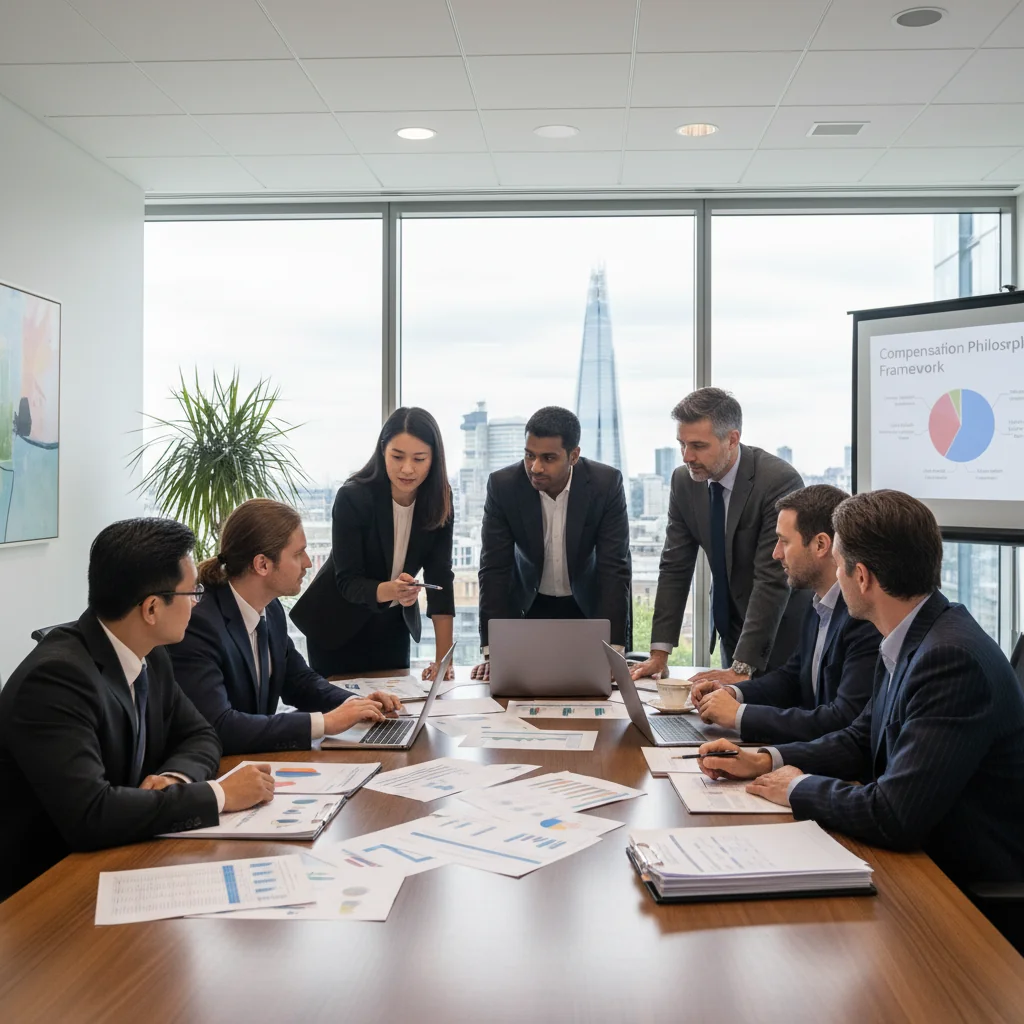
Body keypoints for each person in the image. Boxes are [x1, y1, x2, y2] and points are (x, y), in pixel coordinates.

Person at [698, 489, 1024, 894]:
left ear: (863, 577)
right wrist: (764, 760)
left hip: (961, 890)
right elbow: (859, 739)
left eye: (839, 567)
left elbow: (894, 814)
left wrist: (797, 787)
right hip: (921, 862)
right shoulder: (914, 635)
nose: (835, 577)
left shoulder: (949, 660)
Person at [0, 518, 275, 901]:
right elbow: (90, 814)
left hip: (122, 858)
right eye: (191, 592)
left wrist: (177, 778)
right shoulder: (54, 681)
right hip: (45, 892)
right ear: (151, 609)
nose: (198, 602)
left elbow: (200, 734)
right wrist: (218, 795)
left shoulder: (151, 654)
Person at [168, 500, 403, 755]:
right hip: (219, 771)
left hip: (255, 763)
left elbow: (299, 681)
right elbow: (219, 726)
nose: (308, 563)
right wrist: (324, 723)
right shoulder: (199, 624)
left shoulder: (271, 607)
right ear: (262, 565)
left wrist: (354, 704)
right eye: (297, 553)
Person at [631, 387, 809, 685]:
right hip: (730, 625)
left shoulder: (777, 480)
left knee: (772, 721)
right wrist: (659, 653)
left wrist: (742, 667)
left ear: (732, 439)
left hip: (779, 631)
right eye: (682, 444)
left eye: (698, 446)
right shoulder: (684, 482)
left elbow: (771, 579)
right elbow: (675, 566)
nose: (687, 456)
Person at [691, 484, 879, 743]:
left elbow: (842, 719)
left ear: (821, 544)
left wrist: (739, 716)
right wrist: (733, 693)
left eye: (784, 541)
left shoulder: (862, 617)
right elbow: (791, 678)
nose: (776, 553)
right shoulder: (818, 604)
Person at [291, 407, 455, 679]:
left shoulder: (439, 500)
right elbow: (348, 581)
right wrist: (393, 590)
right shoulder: (353, 497)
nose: (407, 468)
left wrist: (443, 661)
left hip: (392, 625)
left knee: (395, 712)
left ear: (434, 459)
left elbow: (440, 580)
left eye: (419, 458)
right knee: (344, 713)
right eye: (397, 456)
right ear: (382, 451)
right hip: (337, 624)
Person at [472, 406, 631, 680]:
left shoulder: (605, 484)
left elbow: (614, 569)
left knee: (593, 693)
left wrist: (614, 652)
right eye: (529, 455)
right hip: (528, 606)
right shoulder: (503, 486)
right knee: (519, 695)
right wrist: (493, 650)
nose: (535, 467)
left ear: (574, 456)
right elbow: (494, 569)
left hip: (587, 608)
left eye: (548, 458)